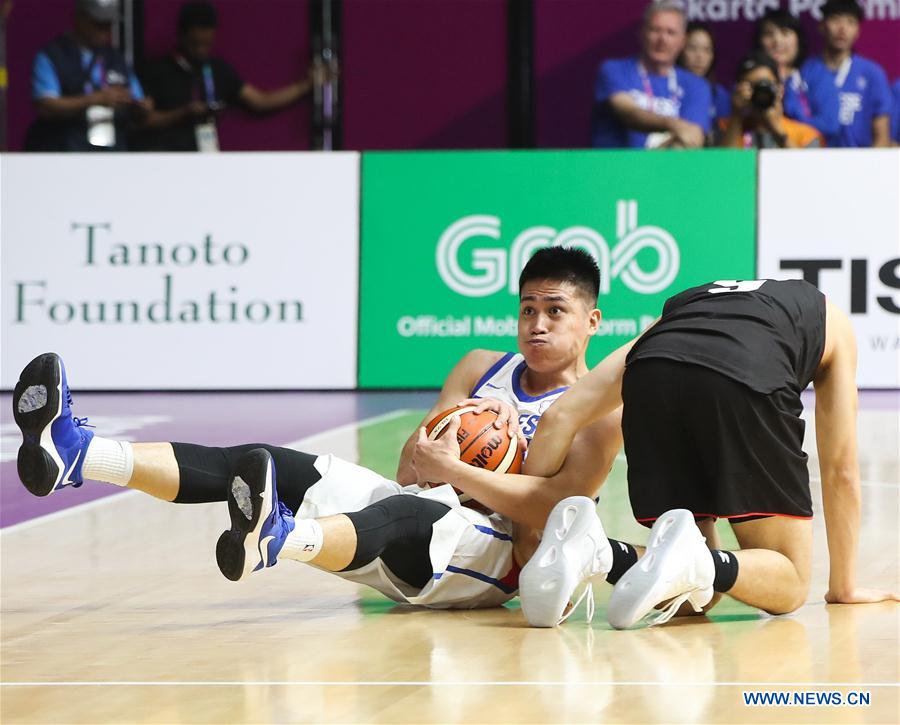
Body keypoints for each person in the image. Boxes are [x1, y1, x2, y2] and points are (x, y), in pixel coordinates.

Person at [12, 247, 624, 610]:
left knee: (415, 515)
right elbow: (412, 467)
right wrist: (443, 446)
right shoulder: (479, 367)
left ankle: (281, 538)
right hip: (425, 508)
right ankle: (79, 453)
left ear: (591, 320)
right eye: (527, 310)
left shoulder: (602, 414)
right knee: (265, 460)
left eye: (555, 311)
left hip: (500, 563)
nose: (536, 325)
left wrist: (458, 470)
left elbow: (550, 509)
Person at [518, 278, 899, 629]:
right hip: (742, 376)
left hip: (651, 375)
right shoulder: (831, 318)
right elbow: (841, 469)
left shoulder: (684, 308)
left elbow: (560, 416)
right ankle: (693, 558)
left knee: (693, 600)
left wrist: (523, 533)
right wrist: (844, 586)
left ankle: (597, 551)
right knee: (790, 582)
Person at [137, 2, 314, 152]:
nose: (201, 50)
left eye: (207, 44)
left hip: (206, 157)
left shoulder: (218, 69)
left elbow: (261, 100)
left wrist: (306, 84)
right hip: (164, 158)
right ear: (181, 36)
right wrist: (183, 113)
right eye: (195, 43)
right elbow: (141, 122)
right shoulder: (158, 70)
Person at [25, 0, 152, 151]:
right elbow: (46, 106)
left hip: (112, 152)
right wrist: (95, 99)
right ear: (80, 17)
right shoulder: (53, 55)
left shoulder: (116, 58)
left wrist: (141, 107)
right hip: (63, 152)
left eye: (109, 23)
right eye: (99, 23)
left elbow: (137, 101)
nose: (106, 29)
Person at [591, 1, 711, 149]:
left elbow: (692, 137)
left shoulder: (696, 85)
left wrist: (652, 164)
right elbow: (629, 114)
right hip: (614, 168)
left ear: (682, 41)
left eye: (670, 32)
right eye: (655, 30)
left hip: (667, 169)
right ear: (642, 32)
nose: (662, 40)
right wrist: (673, 124)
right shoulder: (614, 70)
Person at [803, 0, 892, 148]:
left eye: (850, 22)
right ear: (822, 25)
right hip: (815, 162)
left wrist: (872, 168)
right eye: (836, 19)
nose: (842, 28)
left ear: (858, 31)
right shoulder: (805, 72)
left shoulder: (872, 74)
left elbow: (882, 137)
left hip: (862, 164)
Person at [752, 8, 839, 139]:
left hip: (807, 155)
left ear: (798, 40)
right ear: (760, 41)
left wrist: (793, 115)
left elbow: (830, 126)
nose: (777, 41)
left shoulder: (816, 74)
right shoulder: (750, 77)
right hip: (759, 154)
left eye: (785, 33)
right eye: (769, 34)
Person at [718, 51, 823, 149]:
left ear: (780, 89)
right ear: (738, 90)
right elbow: (721, 167)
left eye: (765, 85)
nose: (759, 93)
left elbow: (805, 168)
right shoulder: (725, 128)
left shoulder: (806, 135)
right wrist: (736, 117)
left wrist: (777, 129)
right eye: (751, 87)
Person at [677, 22, 730, 134]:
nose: (700, 56)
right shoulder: (667, 86)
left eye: (706, 50)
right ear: (680, 50)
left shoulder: (718, 94)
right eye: (692, 48)